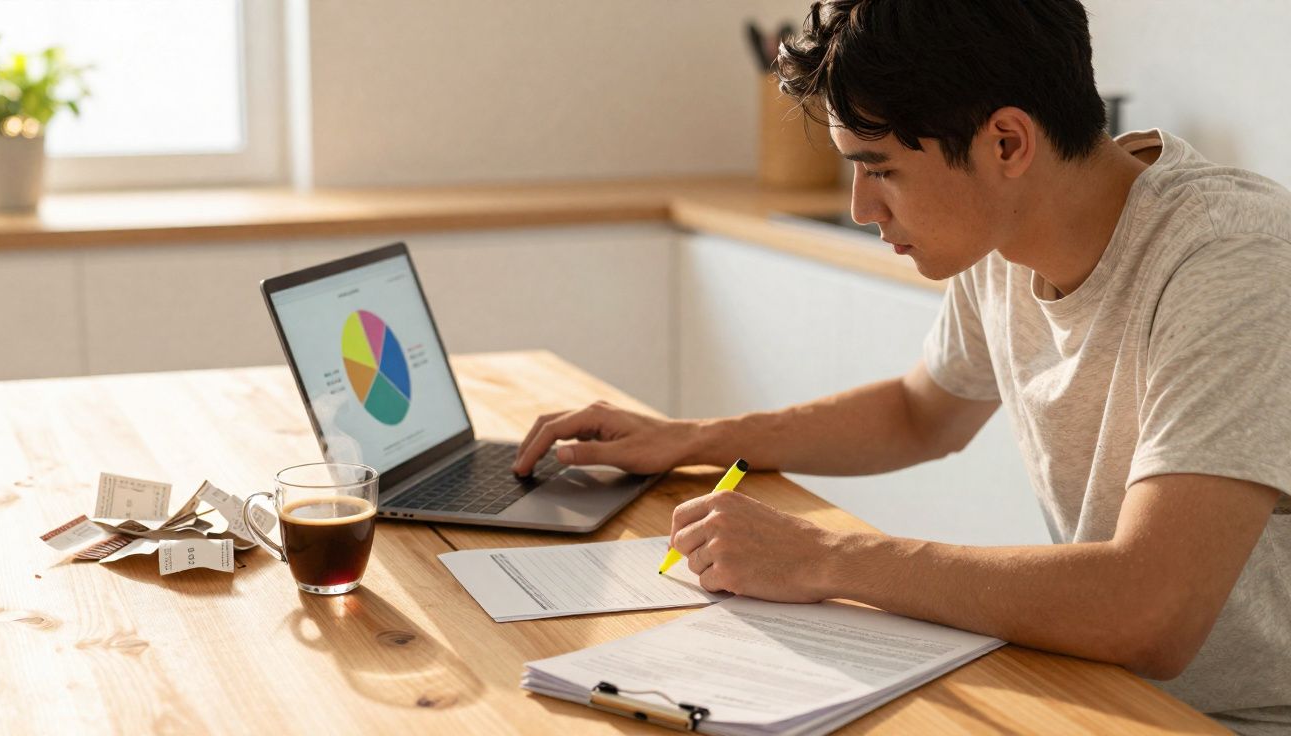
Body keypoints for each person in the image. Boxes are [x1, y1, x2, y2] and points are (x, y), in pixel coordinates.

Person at [512, 0, 1291, 731]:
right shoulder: (1004, 232)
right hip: (1097, 689)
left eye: (880, 168)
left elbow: (1149, 612)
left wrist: (823, 556)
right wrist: (690, 438)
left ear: (1007, 143)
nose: (860, 208)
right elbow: (922, 412)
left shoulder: (1232, 258)